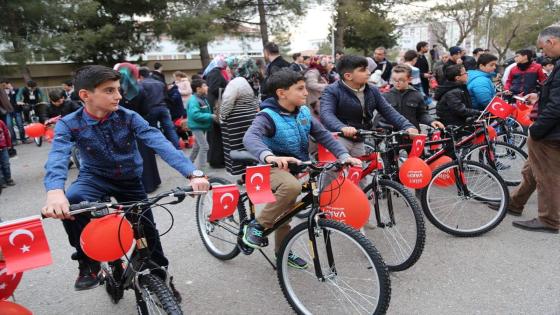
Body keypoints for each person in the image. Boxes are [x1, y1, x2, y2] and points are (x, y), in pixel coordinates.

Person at [41, 65, 210, 290]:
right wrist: (54, 192)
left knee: (147, 231)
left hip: (129, 180)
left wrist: (193, 173)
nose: (119, 96)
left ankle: (161, 279)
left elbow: (158, 141)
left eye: (118, 90)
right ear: (85, 95)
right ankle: (87, 262)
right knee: (72, 201)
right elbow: (58, 156)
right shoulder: (69, 123)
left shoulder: (129, 117)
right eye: (109, 90)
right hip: (94, 177)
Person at [242, 68, 362, 268]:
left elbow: (322, 135)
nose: (306, 93)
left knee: (286, 213)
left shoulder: (304, 112)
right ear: (282, 93)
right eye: (300, 89)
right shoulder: (268, 116)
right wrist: (269, 156)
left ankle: (282, 253)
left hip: (296, 166)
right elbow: (250, 137)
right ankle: (257, 225)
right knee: (291, 188)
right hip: (269, 167)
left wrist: (344, 155)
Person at [511, 26, 560, 234]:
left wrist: (536, 129)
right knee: (531, 170)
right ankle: (514, 203)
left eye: (543, 48)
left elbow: (558, 105)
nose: (543, 54)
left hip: (550, 132)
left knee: (547, 176)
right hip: (550, 130)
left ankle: (549, 220)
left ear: (551, 42)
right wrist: (539, 97)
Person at [320, 55, 417, 157]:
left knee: (360, 171)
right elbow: (326, 114)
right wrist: (342, 127)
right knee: (335, 172)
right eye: (363, 70)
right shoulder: (332, 90)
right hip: (337, 139)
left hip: (359, 138)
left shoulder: (372, 90)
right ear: (348, 76)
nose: (368, 72)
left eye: (367, 68)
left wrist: (408, 126)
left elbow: (388, 111)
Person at [115, 63, 162, 194]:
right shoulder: (139, 88)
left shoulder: (116, 92)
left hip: (123, 128)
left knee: (132, 156)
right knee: (146, 154)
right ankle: (153, 182)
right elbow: (146, 109)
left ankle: (139, 185)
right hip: (140, 124)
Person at [220, 57, 260, 175]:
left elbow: (227, 101)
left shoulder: (236, 82)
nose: (226, 69)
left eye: (228, 66)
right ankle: (251, 173)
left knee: (236, 148)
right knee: (248, 146)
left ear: (236, 68)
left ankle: (243, 174)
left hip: (236, 122)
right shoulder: (252, 80)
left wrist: (222, 117)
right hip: (250, 116)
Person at [377, 64, 444, 130]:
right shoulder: (385, 96)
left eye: (401, 80)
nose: (397, 83)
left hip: (412, 134)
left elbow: (422, 114)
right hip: (392, 135)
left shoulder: (417, 95)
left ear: (409, 79)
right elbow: (380, 118)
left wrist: (431, 121)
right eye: (394, 80)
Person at [138, 67, 180, 149]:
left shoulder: (141, 84)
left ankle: (159, 147)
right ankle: (176, 147)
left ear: (140, 76)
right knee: (170, 129)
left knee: (154, 130)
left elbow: (141, 98)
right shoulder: (159, 83)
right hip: (163, 107)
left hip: (150, 109)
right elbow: (166, 96)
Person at [203, 56, 229, 168]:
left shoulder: (213, 72)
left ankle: (215, 159)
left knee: (215, 134)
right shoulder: (215, 73)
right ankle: (217, 160)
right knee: (216, 134)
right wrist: (228, 89)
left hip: (214, 104)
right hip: (216, 105)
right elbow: (215, 88)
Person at [187, 79, 215, 170]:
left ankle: (187, 165)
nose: (207, 87)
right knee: (204, 147)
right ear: (198, 89)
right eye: (204, 86)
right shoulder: (194, 100)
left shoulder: (201, 98)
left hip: (200, 126)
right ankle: (202, 171)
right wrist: (210, 116)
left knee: (197, 146)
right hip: (197, 126)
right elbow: (195, 115)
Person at [0, 118, 14, 190]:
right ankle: (1, 182)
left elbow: (6, 133)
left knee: (6, 164)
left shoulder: (1, 122)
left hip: (3, 147)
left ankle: (8, 178)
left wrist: (9, 145)